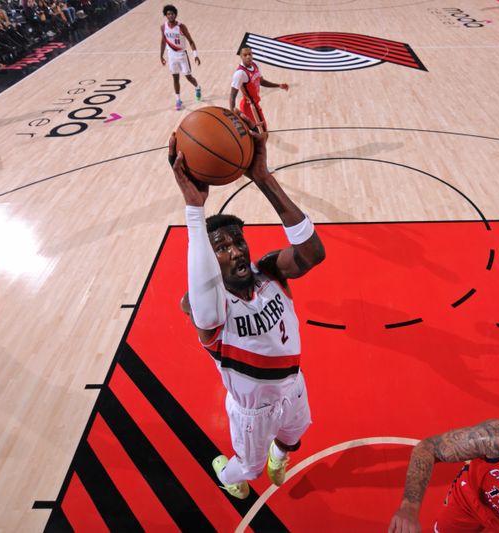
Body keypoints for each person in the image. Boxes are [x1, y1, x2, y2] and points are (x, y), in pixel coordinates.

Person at [169, 130, 325, 499]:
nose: (235, 251)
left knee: (294, 437)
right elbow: (199, 304)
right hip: (251, 413)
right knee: (249, 471)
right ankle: (229, 473)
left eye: (238, 241)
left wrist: (263, 177)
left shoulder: (268, 270)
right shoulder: (213, 311)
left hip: (293, 385)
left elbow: (312, 253)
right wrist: (194, 210)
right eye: (221, 248)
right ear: (209, 259)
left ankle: (278, 457)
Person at [229, 46, 288, 132]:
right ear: (241, 57)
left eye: (250, 54)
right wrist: (232, 118)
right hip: (251, 106)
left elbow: (262, 81)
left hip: (253, 103)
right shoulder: (240, 73)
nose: (248, 57)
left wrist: (278, 85)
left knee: (255, 132)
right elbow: (232, 96)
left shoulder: (255, 65)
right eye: (245, 55)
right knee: (263, 132)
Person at [159, 4, 200, 111]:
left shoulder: (181, 27)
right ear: (166, 15)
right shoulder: (163, 27)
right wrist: (161, 55)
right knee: (175, 78)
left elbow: (191, 41)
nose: (170, 16)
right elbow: (163, 41)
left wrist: (195, 55)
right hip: (171, 56)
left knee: (188, 77)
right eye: (168, 14)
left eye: (172, 14)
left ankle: (197, 87)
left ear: (175, 15)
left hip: (182, 55)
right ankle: (178, 99)